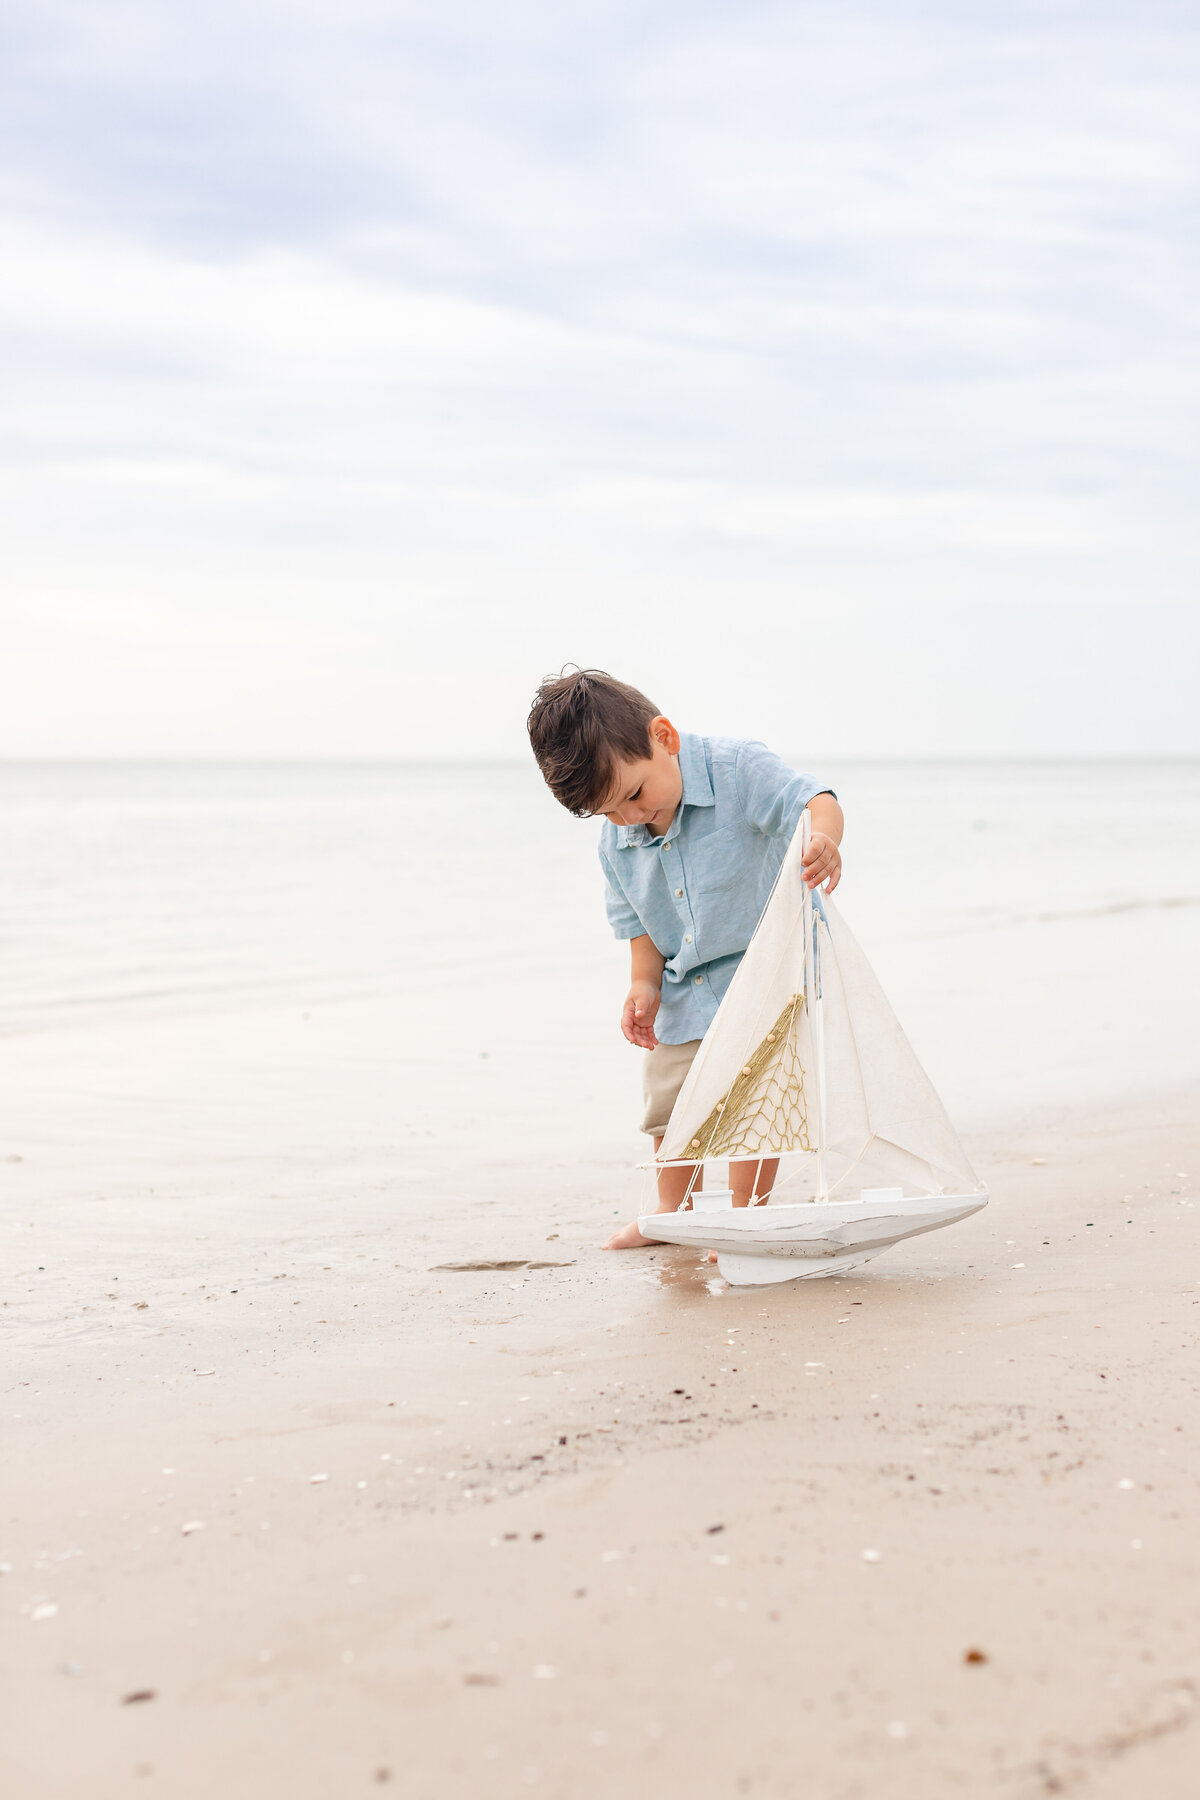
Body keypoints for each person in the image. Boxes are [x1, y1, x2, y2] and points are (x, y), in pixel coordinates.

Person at [527, 669, 843, 1248]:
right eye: (608, 813)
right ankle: (674, 1214)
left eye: (633, 796)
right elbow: (638, 924)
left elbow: (813, 798)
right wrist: (643, 985)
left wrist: (824, 837)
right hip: (683, 986)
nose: (628, 819)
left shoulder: (738, 769)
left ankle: (750, 1214)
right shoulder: (617, 836)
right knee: (672, 1106)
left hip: (765, 972)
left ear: (664, 738)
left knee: (756, 1105)